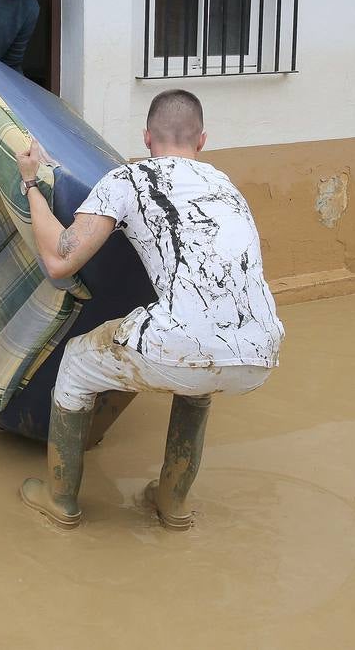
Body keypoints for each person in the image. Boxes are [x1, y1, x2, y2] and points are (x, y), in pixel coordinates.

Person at [14, 89, 284, 530]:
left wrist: (32, 183)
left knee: (75, 362)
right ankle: (172, 505)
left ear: (145, 138)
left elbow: (60, 260)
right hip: (261, 352)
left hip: (182, 343)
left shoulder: (130, 180)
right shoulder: (225, 186)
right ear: (202, 141)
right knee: (197, 381)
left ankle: (60, 499)